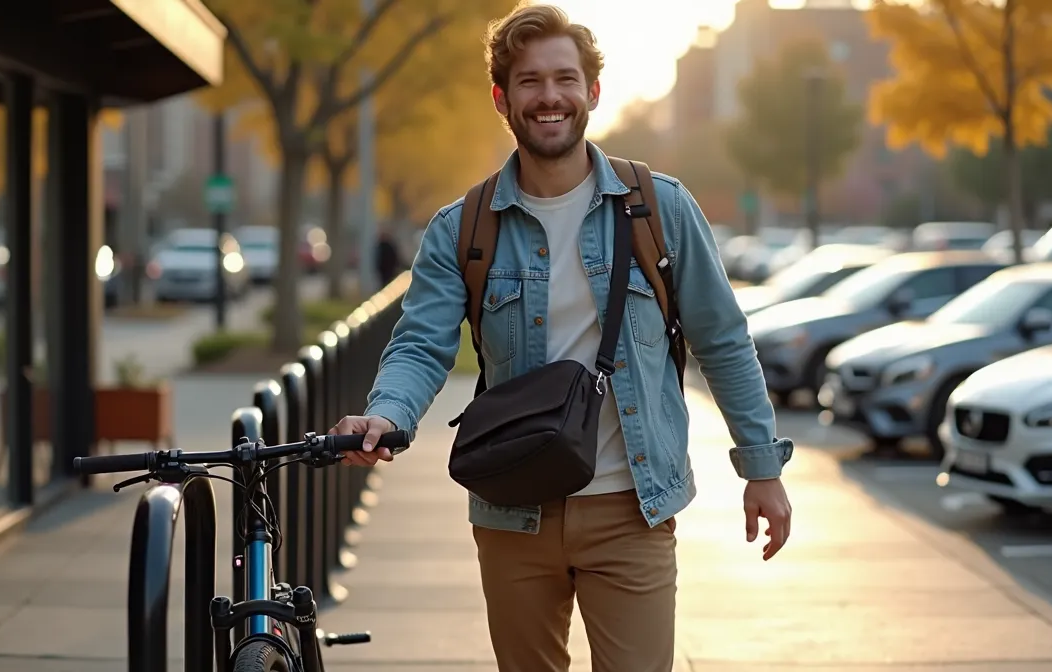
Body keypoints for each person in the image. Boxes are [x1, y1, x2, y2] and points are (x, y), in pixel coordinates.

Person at [331, 4, 794, 671]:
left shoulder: (660, 208)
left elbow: (722, 341)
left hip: (633, 507)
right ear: (502, 98)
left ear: (592, 92)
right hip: (512, 512)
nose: (549, 96)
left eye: (564, 79)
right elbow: (421, 345)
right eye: (528, 81)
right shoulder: (462, 228)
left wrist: (762, 468)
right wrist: (386, 415)